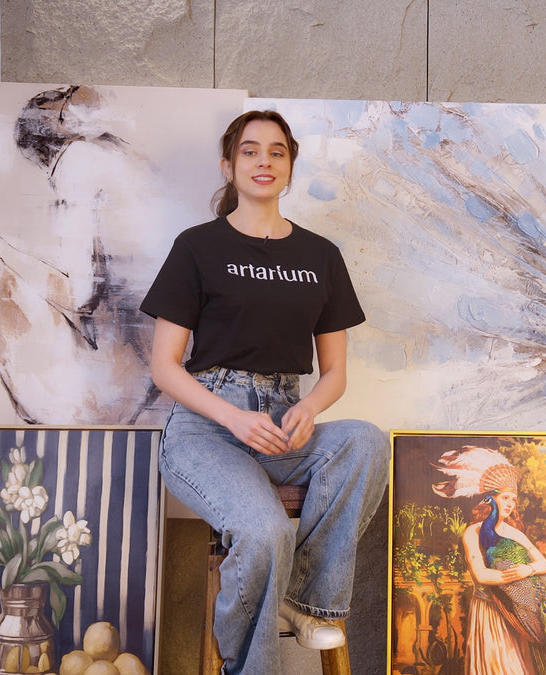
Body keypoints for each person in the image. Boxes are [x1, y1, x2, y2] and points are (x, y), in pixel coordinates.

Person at [141, 109, 387, 674]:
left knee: (366, 441)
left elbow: (334, 373)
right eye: (250, 151)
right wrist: (233, 418)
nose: (264, 161)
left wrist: (309, 408)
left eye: (277, 152)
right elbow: (164, 367)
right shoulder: (197, 247)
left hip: (282, 424)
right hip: (207, 430)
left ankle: (308, 602)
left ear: (290, 166)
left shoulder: (320, 256)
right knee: (265, 530)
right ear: (228, 165)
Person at [433, 447, 546, 675]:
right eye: (505, 498)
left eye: (514, 500)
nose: (510, 504)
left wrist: (526, 570)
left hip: (517, 611)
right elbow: (481, 574)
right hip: (489, 609)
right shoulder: (472, 532)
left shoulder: (515, 534)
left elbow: (544, 565)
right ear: (491, 500)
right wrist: (514, 579)